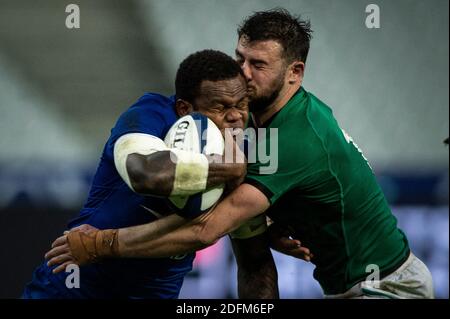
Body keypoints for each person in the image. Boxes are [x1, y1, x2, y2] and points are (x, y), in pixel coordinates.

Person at [46, 9, 434, 299]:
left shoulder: (296, 136)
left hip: (388, 286)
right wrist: (271, 219)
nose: (244, 73)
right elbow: (248, 241)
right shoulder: (247, 123)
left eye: (259, 64)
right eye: (240, 58)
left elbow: (204, 230)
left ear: (295, 73)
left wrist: (102, 244)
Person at [24, 50, 280, 299]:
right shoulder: (152, 114)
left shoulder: (248, 150)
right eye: (220, 107)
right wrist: (227, 171)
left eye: (242, 104)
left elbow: (254, 263)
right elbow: (144, 174)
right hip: (76, 286)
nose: (235, 117)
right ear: (184, 108)